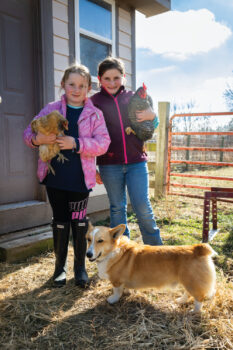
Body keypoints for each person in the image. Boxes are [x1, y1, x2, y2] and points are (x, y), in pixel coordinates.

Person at [24, 64, 110, 288]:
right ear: (63, 85)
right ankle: (59, 267)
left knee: (79, 221)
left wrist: (77, 143)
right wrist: (37, 140)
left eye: (81, 85)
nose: (76, 89)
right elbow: (28, 132)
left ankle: (79, 268)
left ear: (88, 88)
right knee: (60, 220)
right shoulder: (51, 108)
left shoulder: (94, 114)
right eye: (71, 84)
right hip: (55, 179)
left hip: (80, 181)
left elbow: (103, 143)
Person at [91, 57, 162, 246]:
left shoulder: (133, 98)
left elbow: (152, 124)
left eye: (116, 77)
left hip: (136, 162)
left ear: (123, 77)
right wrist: (92, 167)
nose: (112, 83)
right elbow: (88, 135)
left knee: (142, 207)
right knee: (117, 208)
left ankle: (156, 252)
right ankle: (121, 253)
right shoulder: (94, 102)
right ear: (99, 79)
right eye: (107, 78)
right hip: (109, 165)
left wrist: (153, 116)